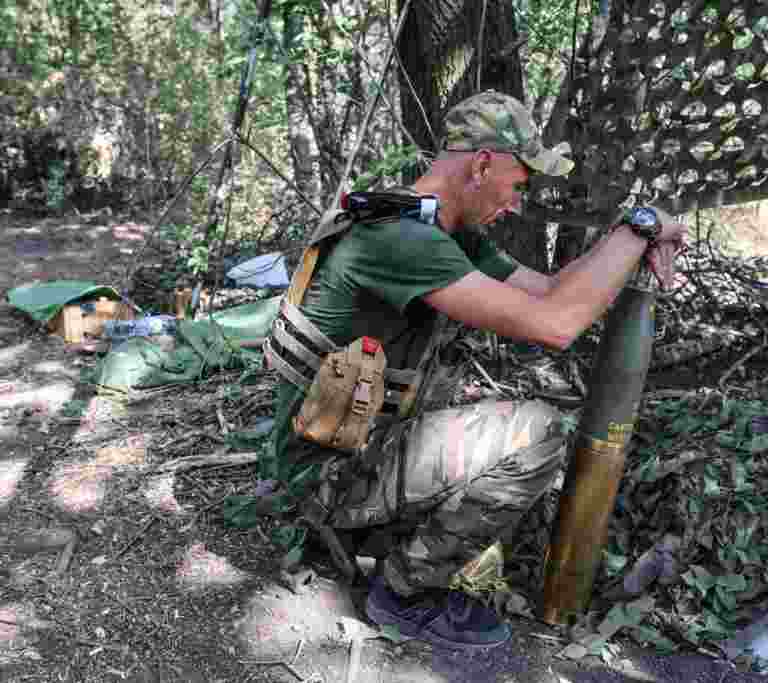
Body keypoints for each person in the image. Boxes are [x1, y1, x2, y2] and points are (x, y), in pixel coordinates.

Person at [266, 90, 687, 651]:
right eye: (518, 185)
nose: (515, 204)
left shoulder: (428, 226)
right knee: (537, 433)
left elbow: (549, 290)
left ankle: (374, 533)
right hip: (325, 472)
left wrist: (626, 237)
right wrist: (640, 229)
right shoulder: (400, 239)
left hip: (344, 443)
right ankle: (405, 592)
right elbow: (557, 324)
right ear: (483, 164)